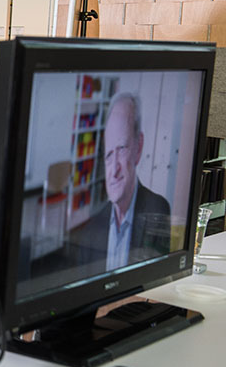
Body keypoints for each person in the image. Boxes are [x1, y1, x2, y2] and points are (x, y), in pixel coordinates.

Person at [72, 92, 172, 273]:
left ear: (138, 148)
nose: (114, 170)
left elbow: (156, 282)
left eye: (122, 148)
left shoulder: (157, 210)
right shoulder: (90, 232)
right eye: (109, 155)